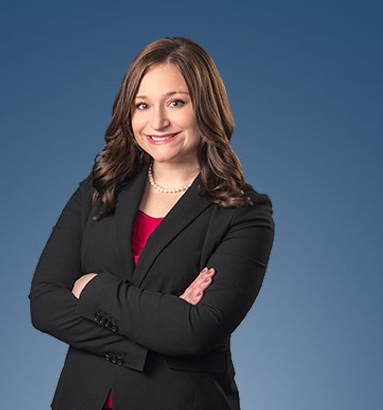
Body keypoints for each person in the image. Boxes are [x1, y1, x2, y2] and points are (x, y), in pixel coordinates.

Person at [29, 36, 275, 410]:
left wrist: (92, 287)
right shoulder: (99, 190)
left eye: (176, 102)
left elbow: (196, 331)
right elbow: (45, 303)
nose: (157, 122)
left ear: (206, 107)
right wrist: (156, 331)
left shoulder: (244, 212)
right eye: (142, 105)